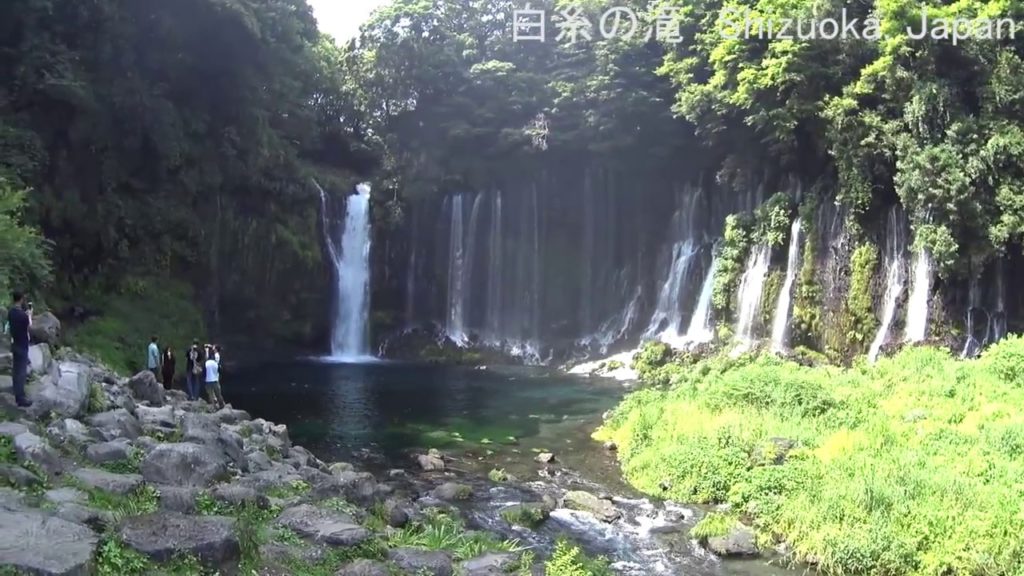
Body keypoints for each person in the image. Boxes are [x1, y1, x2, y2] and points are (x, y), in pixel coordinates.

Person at [6, 291, 33, 408]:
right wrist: (30, 315)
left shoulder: (11, 312)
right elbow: (29, 326)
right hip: (22, 344)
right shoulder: (23, 315)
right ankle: (21, 398)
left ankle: (17, 393)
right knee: (21, 371)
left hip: (14, 343)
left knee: (15, 370)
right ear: (21, 299)